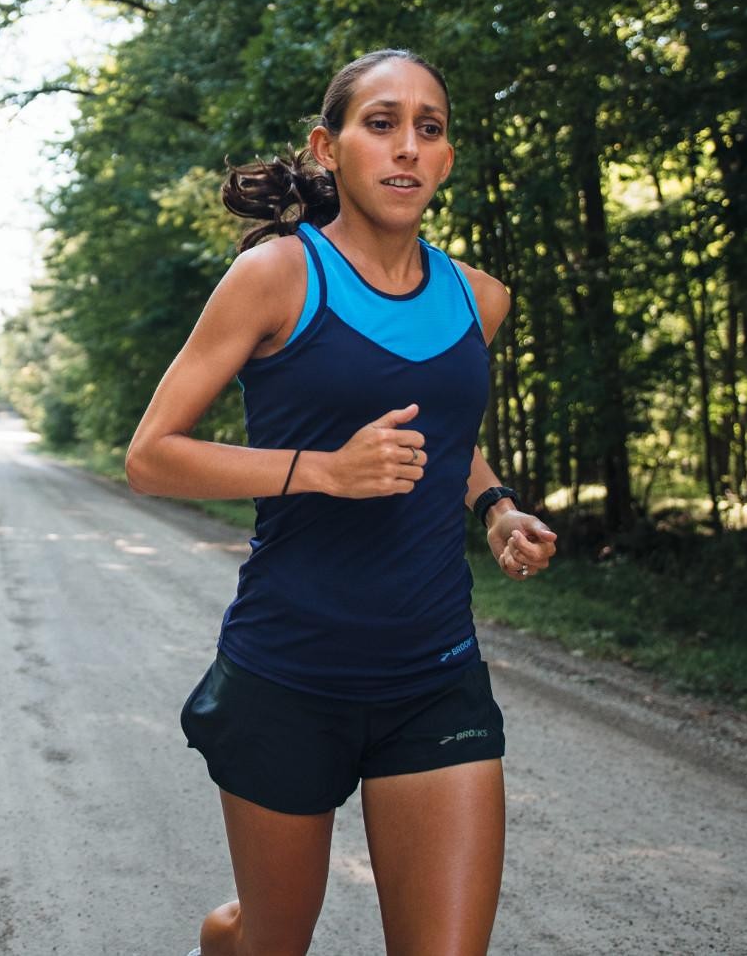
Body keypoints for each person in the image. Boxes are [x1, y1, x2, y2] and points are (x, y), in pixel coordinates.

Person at [125, 49, 558, 956]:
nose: (406, 146)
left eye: (428, 129)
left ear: (445, 158)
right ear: (329, 148)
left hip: (433, 674)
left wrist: (497, 507)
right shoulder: (279, 276)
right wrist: (322, 469)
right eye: (381, 123)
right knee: (269, 942)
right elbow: (152, 456)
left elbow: (442, 428)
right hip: (291, 673)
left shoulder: (478, 298)